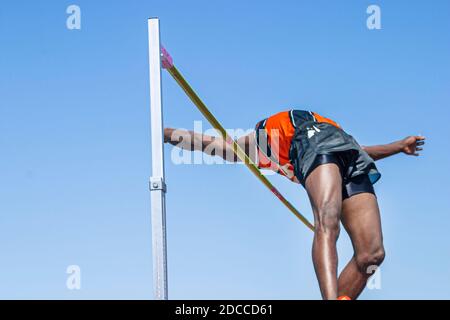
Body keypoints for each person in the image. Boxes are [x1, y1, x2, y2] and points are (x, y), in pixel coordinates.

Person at [164, 109, 425, 300]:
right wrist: (167, 135)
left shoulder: (271, 140)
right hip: (323, 142)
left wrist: (398, 146)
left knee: (372, 254)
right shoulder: (258, 147)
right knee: (328, 221)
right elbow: (213, 144)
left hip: (337, 142)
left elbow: (358, 148)